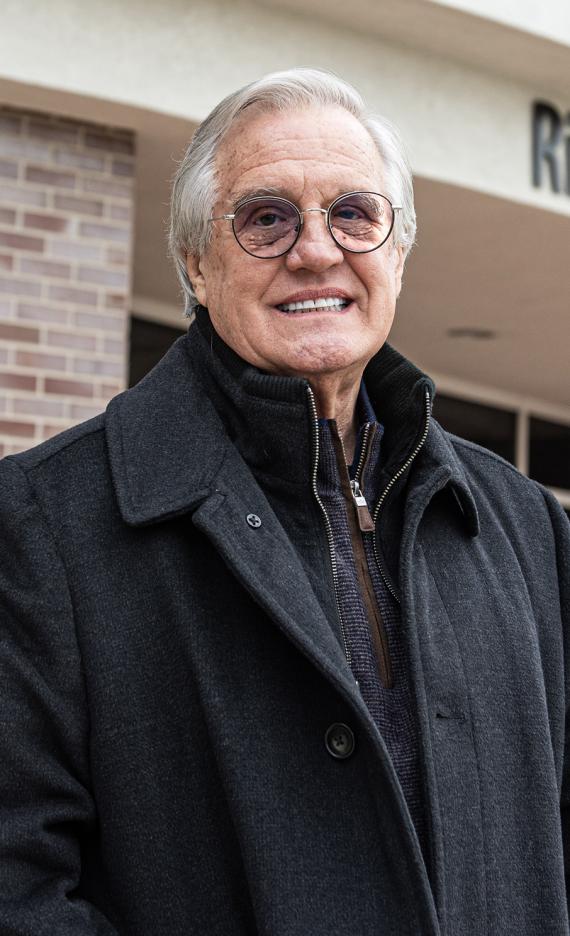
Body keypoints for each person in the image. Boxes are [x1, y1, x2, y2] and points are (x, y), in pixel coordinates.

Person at [0, 67, 569, 936]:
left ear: (398, 249)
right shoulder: (44, 525)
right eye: (266, 218)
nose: (316, 249)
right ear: (195, 259)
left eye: (354, 213)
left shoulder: (528, 530)